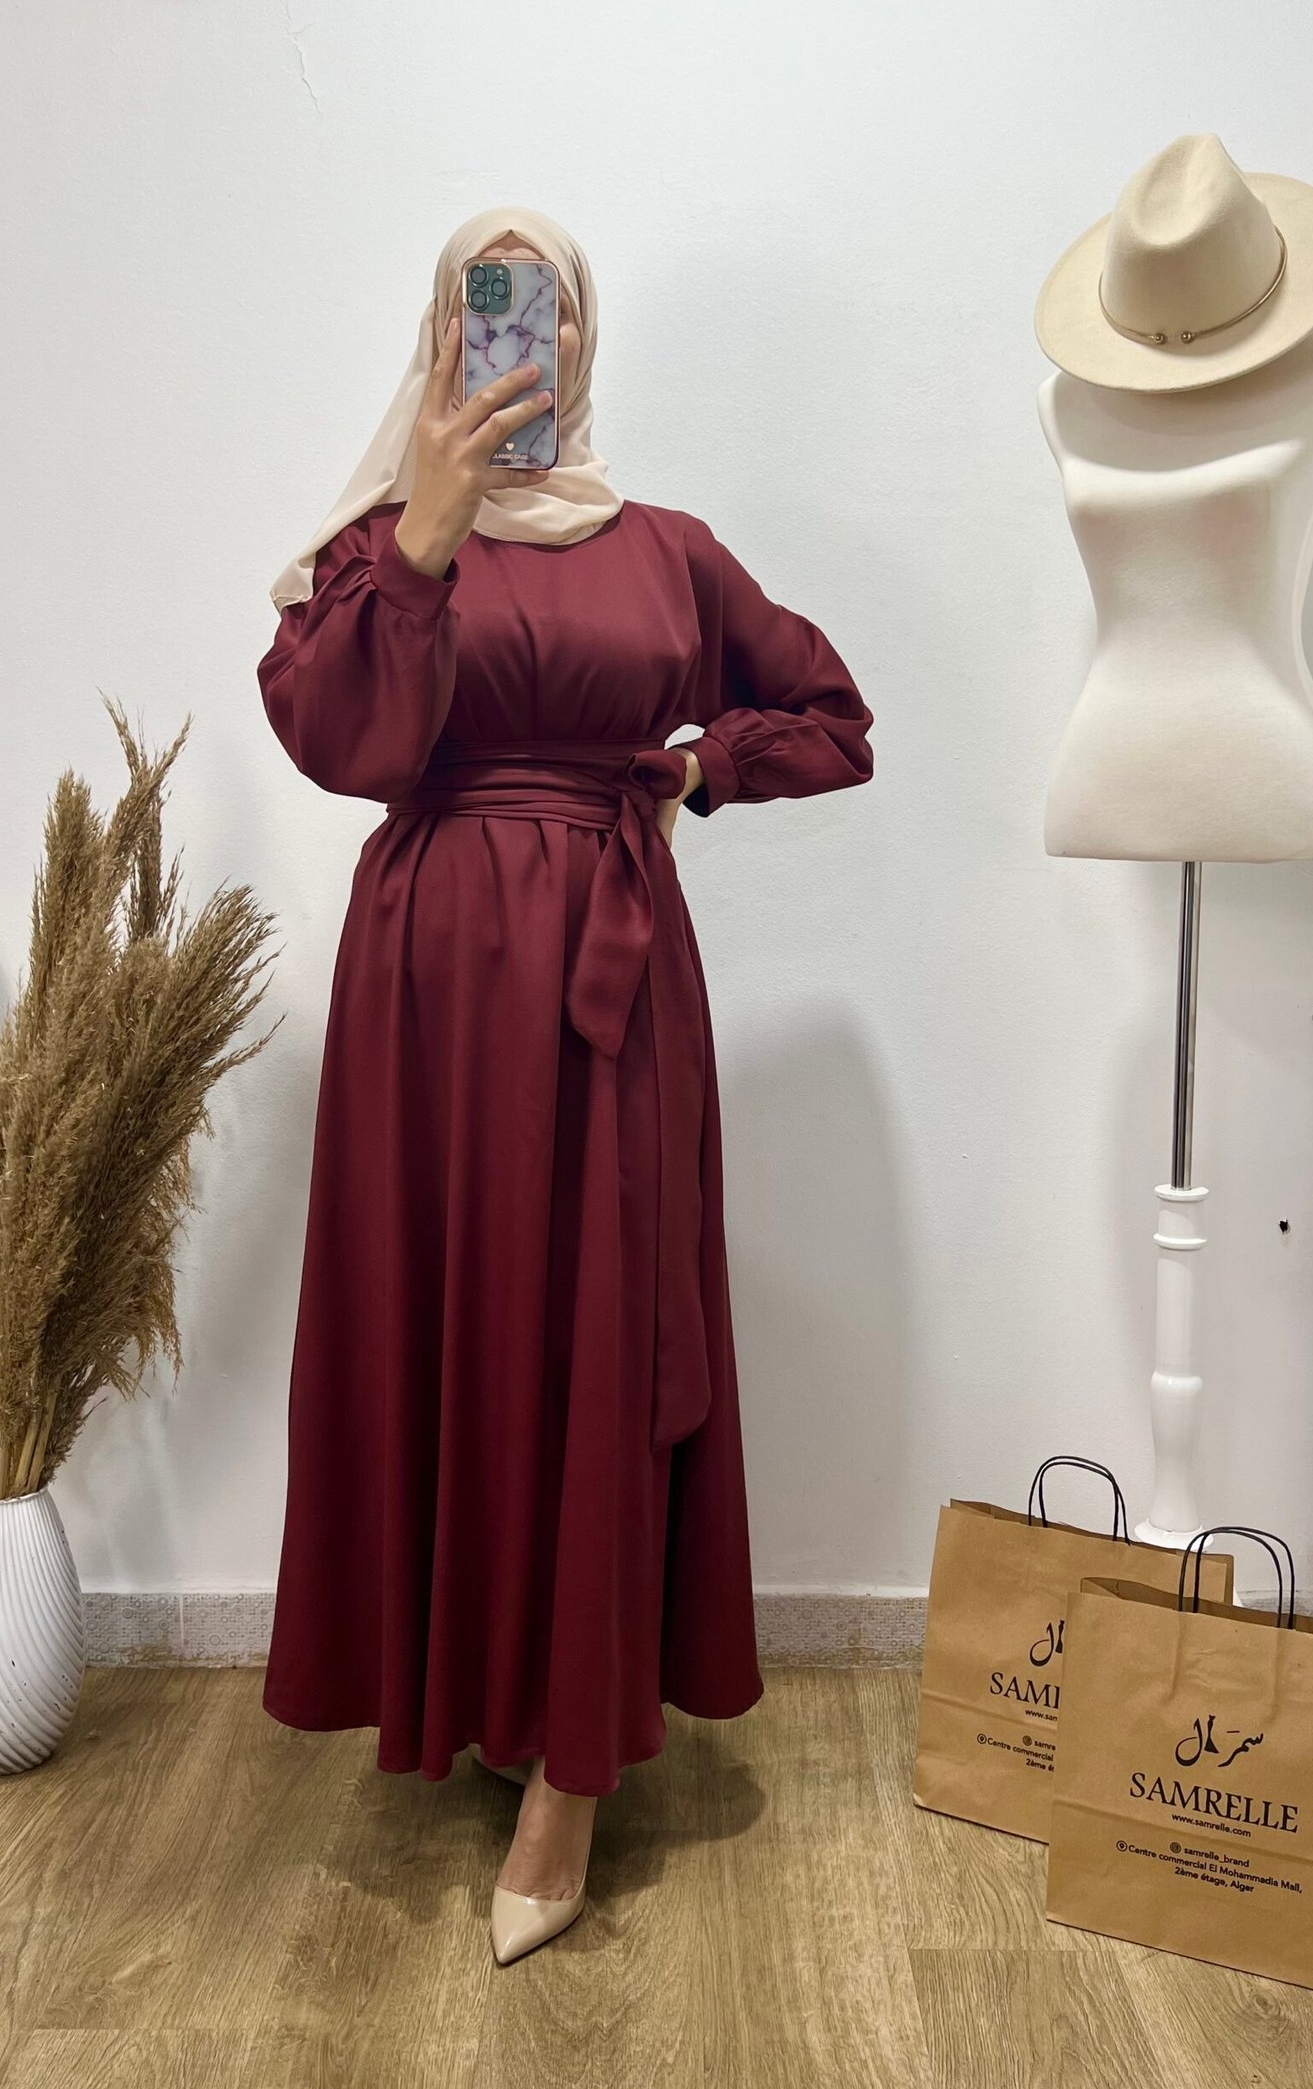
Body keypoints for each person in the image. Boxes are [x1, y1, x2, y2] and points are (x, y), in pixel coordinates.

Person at [258, 205, 874, 1965]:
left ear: (583, 340)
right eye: (488, 299)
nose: (524, 334)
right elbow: (338, 742)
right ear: (443, 334)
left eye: (548, 305)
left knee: (596, 1328)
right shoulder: (381, 545)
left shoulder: (670, 552)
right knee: (448, 1317)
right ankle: (484, 1691)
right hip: (425, 984)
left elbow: (832, 713)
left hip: (611, 985)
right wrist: (427, 537)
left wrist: (701, 772)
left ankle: (575, 1770)